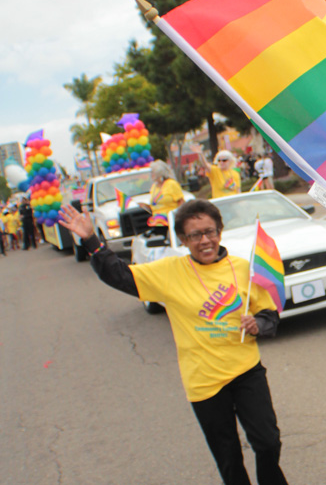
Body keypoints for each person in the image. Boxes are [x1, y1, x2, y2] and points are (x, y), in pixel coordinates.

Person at [58, 199, 288, 485]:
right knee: (228, 458)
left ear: (220, 231)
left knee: (268, 442)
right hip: (204, 382)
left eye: (210, 231)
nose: (204, 240)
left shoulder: (243, 268)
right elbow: (118, 274)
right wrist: (92, 239)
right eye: (195, 235)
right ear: (183, 239)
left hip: (246, 372)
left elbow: (269, 314)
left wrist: (258, 325)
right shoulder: (170, 272)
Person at [139, 161, 185, 232]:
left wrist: (178, 218)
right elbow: (156, 204)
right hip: (157, 222)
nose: (151, 174)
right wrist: (145, 206)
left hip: (170, 221)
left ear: (159, 173)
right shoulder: (154, 186)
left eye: (152, 172)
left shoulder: (171, 184)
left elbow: (181, 202)